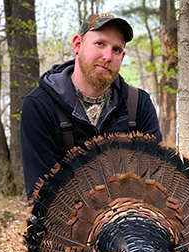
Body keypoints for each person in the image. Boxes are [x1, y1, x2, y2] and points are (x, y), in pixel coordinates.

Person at [20, 13, 162, 199]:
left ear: (123, 56)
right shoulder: (40, 106)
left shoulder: (138, 104)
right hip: (69, 222)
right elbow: (42, 196)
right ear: (77, 44)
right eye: (100, 44)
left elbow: (156, 180)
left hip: (131, 217)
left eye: (117, 50)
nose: (108, 56)